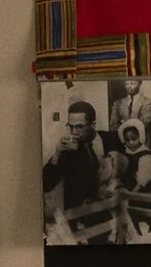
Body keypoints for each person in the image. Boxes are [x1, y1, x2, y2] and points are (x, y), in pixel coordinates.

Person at [43, 98, 106, 241]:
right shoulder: (67, 151)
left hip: (110, 215)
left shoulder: (111, 140)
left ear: (93, 125)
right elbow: (47, 184)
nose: (74, 132)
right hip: (80, 221)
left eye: (79, 127)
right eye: (70, 126)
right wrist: (57, 154)